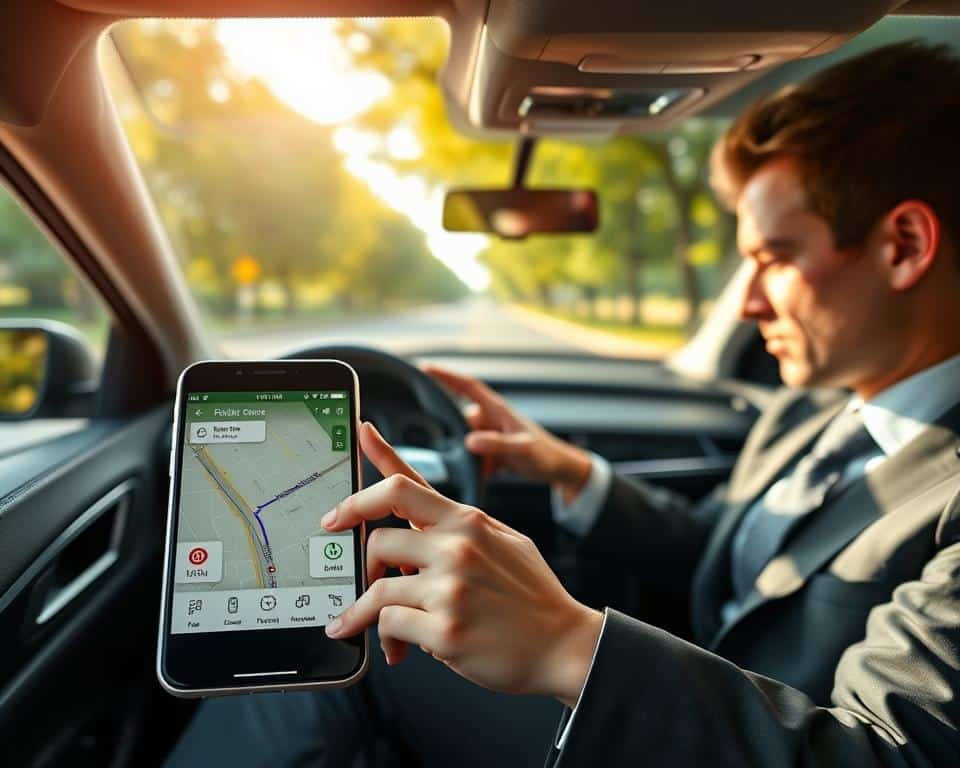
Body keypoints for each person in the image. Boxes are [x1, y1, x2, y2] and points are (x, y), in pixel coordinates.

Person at [168, 40, 960, 766]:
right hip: (693, 709)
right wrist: (572, 472)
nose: (747, 300)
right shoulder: (816, 413)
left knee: (362, 657)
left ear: (905, 247)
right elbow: (721, 551)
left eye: (773, 258)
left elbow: (885, 756)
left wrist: (568, 645)